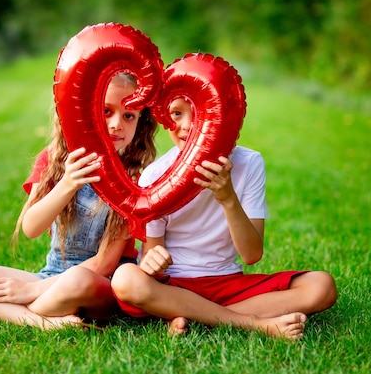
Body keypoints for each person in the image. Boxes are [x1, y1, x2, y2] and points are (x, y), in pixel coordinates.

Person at [0, 72, 158, 329]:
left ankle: (2, 312)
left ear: (140, 123)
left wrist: (30, 290)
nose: (117, 124)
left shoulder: (134, 180)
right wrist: (67, 183)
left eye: (128, 115)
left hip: (101, 284)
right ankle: (38, 320)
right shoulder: (53, 160)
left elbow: (104, 263)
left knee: (77, 280)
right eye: (106, 111)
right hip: (52, 275)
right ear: (83, 111)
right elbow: (32, 228)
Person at [111, 97, 337, 340]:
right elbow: (153, 257)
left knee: (321, 286)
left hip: (226, 282)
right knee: (126, 279)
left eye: (199, 113)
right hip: (175, 286)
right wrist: (151, 262)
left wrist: (228, 198)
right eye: (176, 114)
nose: (186, 125)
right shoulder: (154, 175)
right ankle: (256, 324)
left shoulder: (249, 163)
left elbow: (251, 255)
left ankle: (190, 318)